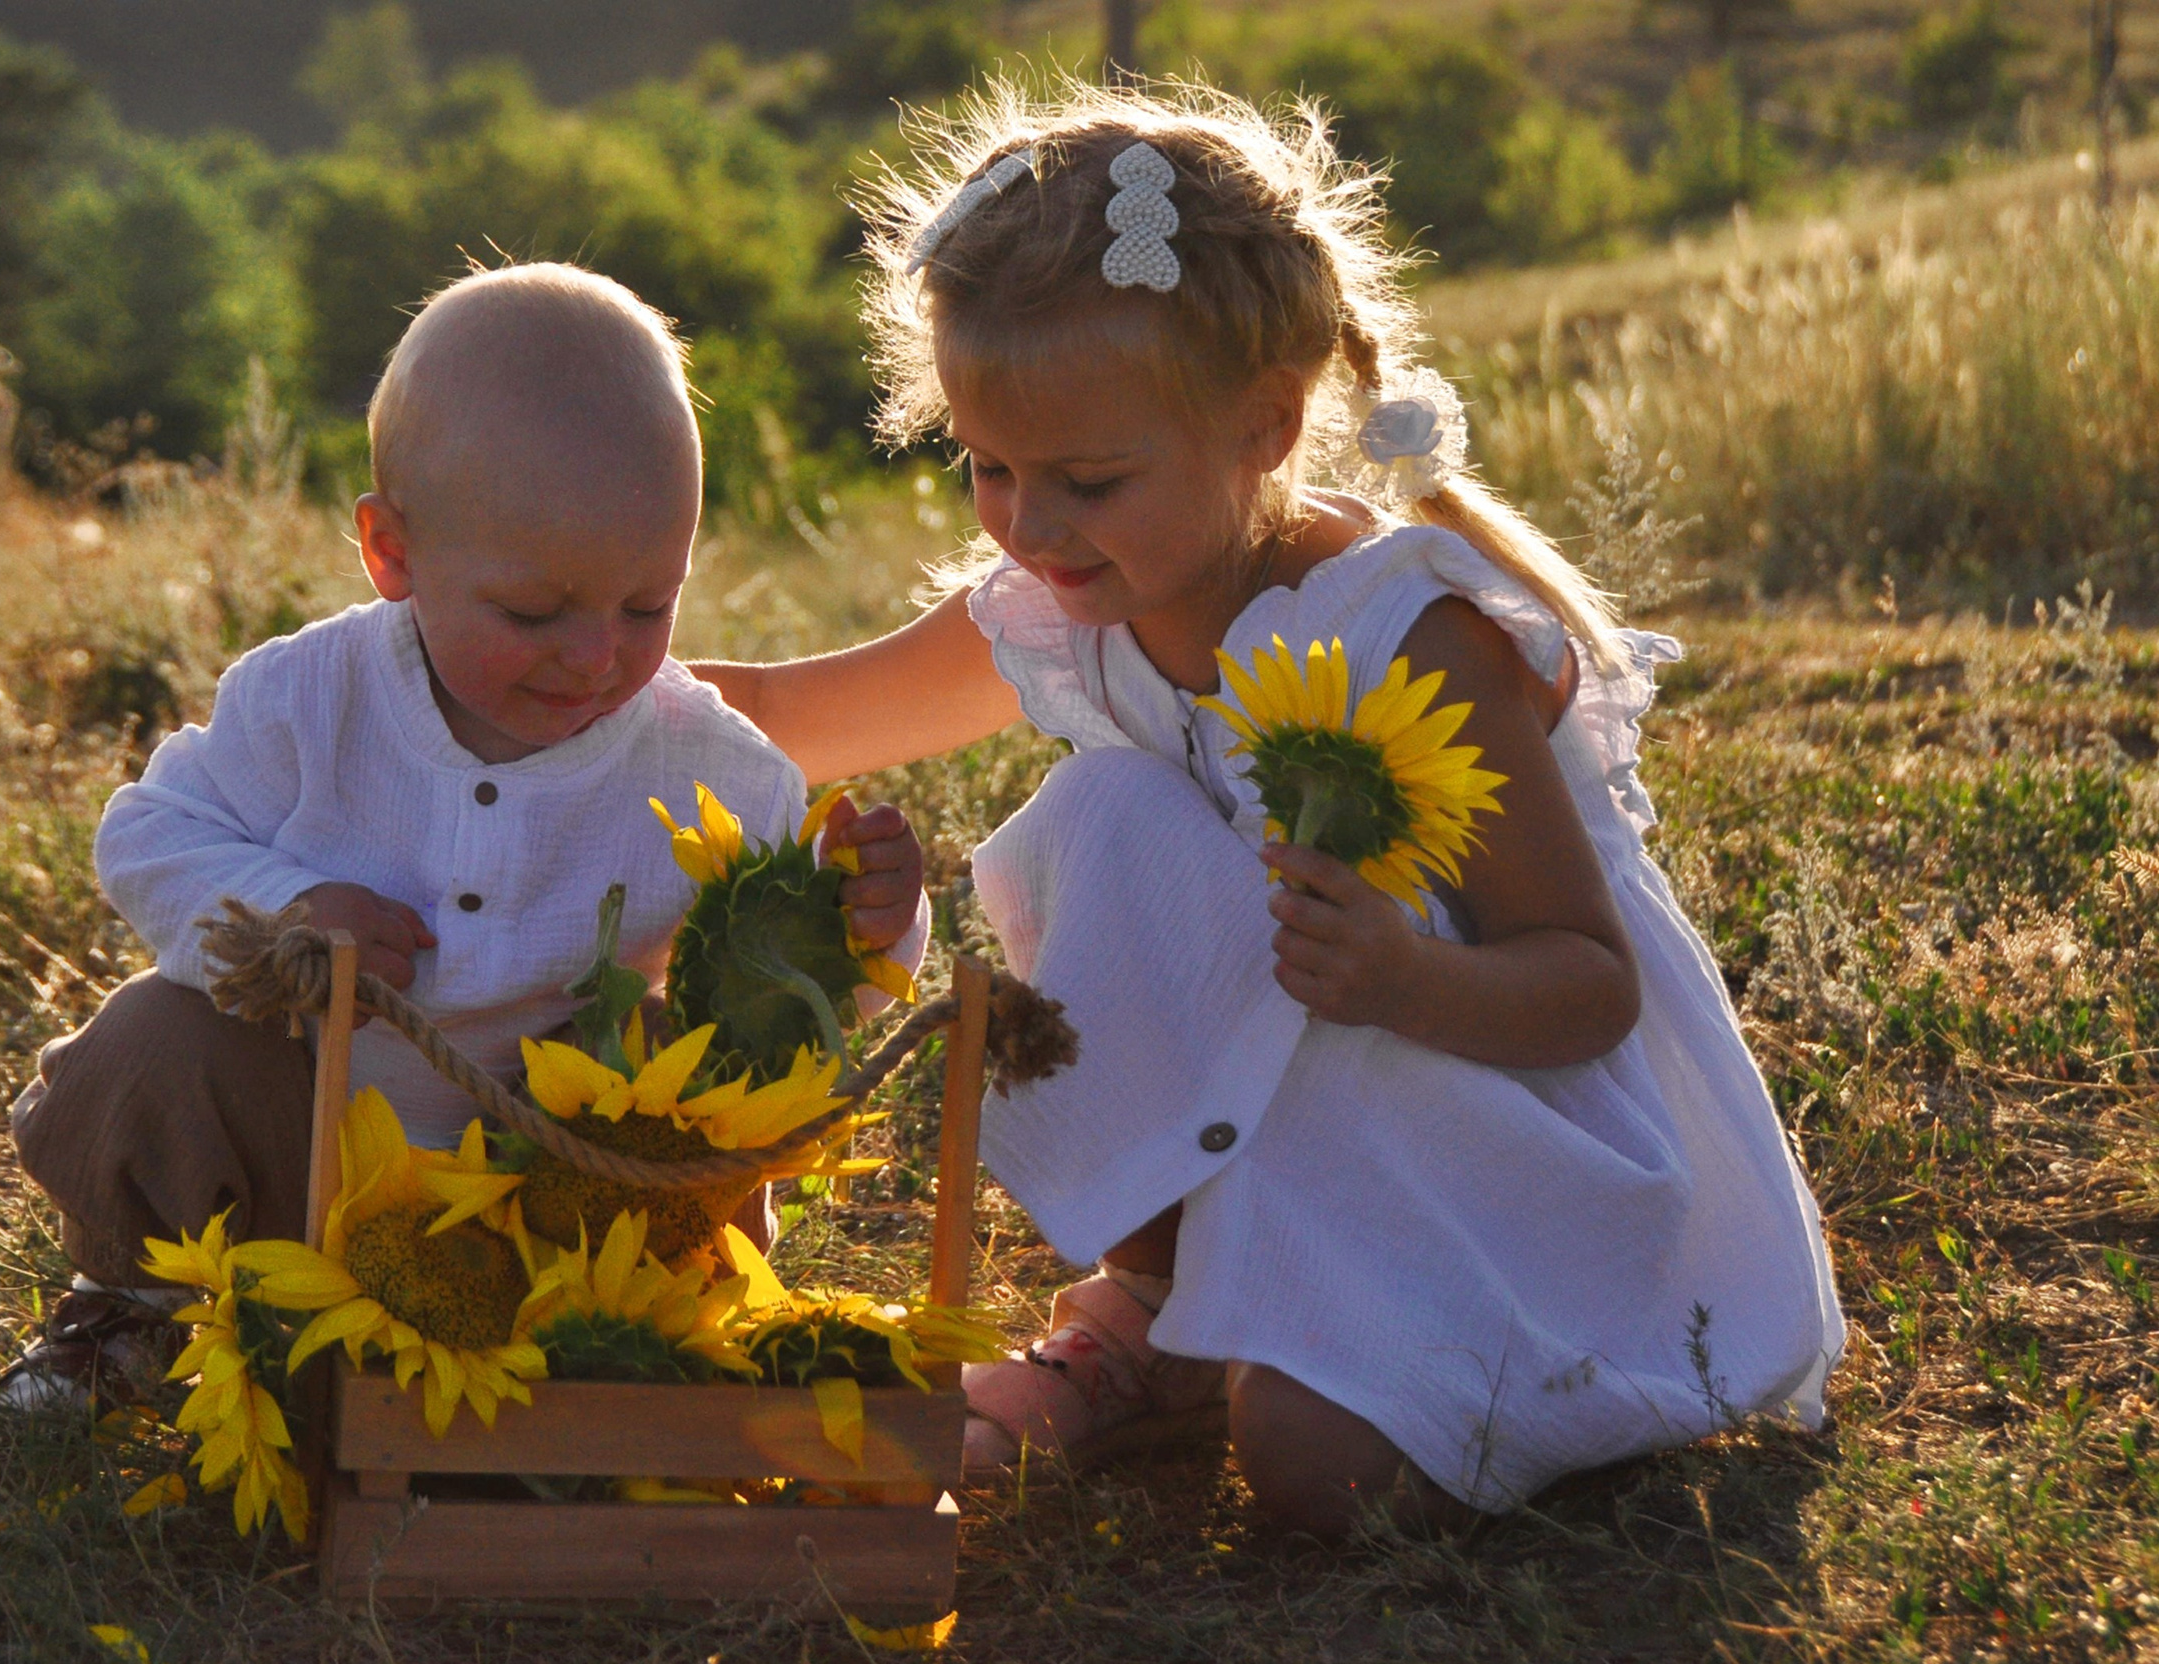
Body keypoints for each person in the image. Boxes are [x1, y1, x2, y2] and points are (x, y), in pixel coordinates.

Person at [689, 81, 1843, 1538]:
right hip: (1295, 1110)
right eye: (988, 468)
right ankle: (1161, 1312)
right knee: (1102, 811)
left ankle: (1441, 1346)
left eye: (1087, 478)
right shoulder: (1071, 596)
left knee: (1316, 1475)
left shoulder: (1402, 639)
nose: (1028, 526)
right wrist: (535, 658)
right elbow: (791, 713)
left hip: (1486, 1140)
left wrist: (1405, 974)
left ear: (1264, 426)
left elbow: (1588, 989)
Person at [0, 263, 927, 1411]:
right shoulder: (311, 699)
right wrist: (285, 911)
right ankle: (134, 1306)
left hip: (565, 1214)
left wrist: (866, 923)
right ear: (391, 551)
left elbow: (791, 1010)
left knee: (675, 1063)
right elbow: (149, 833)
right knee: (158, 1032)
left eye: (647, 604)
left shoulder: (713, 769)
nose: (596, 655)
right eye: (534, 612)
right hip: (300, 1169)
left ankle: (622, 1366)